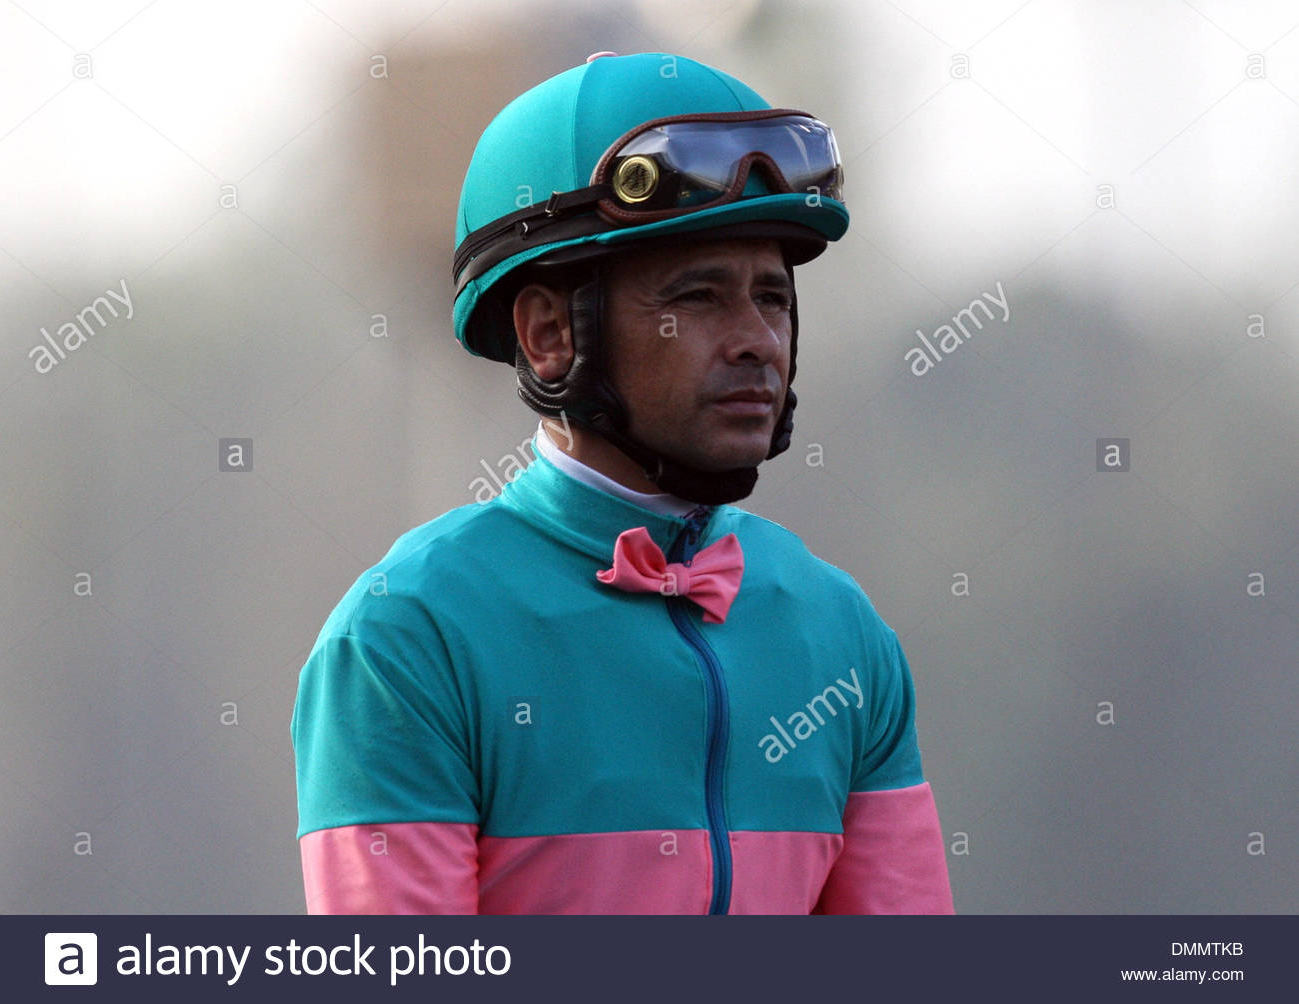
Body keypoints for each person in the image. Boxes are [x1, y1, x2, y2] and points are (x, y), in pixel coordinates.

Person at [291, 50, 954, 915]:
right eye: (701, 297)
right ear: (548, 334)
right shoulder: (404, 639)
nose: (758, 339)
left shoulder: (844, 636)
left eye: (773, 297)